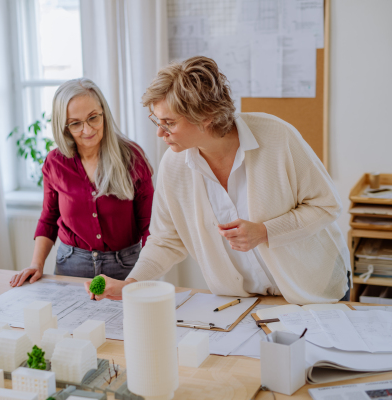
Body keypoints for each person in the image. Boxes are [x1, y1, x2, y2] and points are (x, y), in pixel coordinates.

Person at [85, 56, 350, 305]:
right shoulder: (174, 165)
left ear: (205, 117)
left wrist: (265, 232)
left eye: (169, 123)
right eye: (157, 120)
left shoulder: (278, 138)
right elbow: (165, 240)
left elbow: (326, 206)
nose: (160, 132)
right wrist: (131, 283)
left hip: (313, 294)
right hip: (242, 302)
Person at [10, 78, 154, 287]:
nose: (87, 130)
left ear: (103, 113)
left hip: (126, 267)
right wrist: (36, 264)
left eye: (93, 118)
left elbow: (149, 225)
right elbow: (49, 218)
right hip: (71, 265)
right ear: (64, 126)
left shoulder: (133, 158)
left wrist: (144, 276)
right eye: (76, 123)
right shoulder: (55, 163)